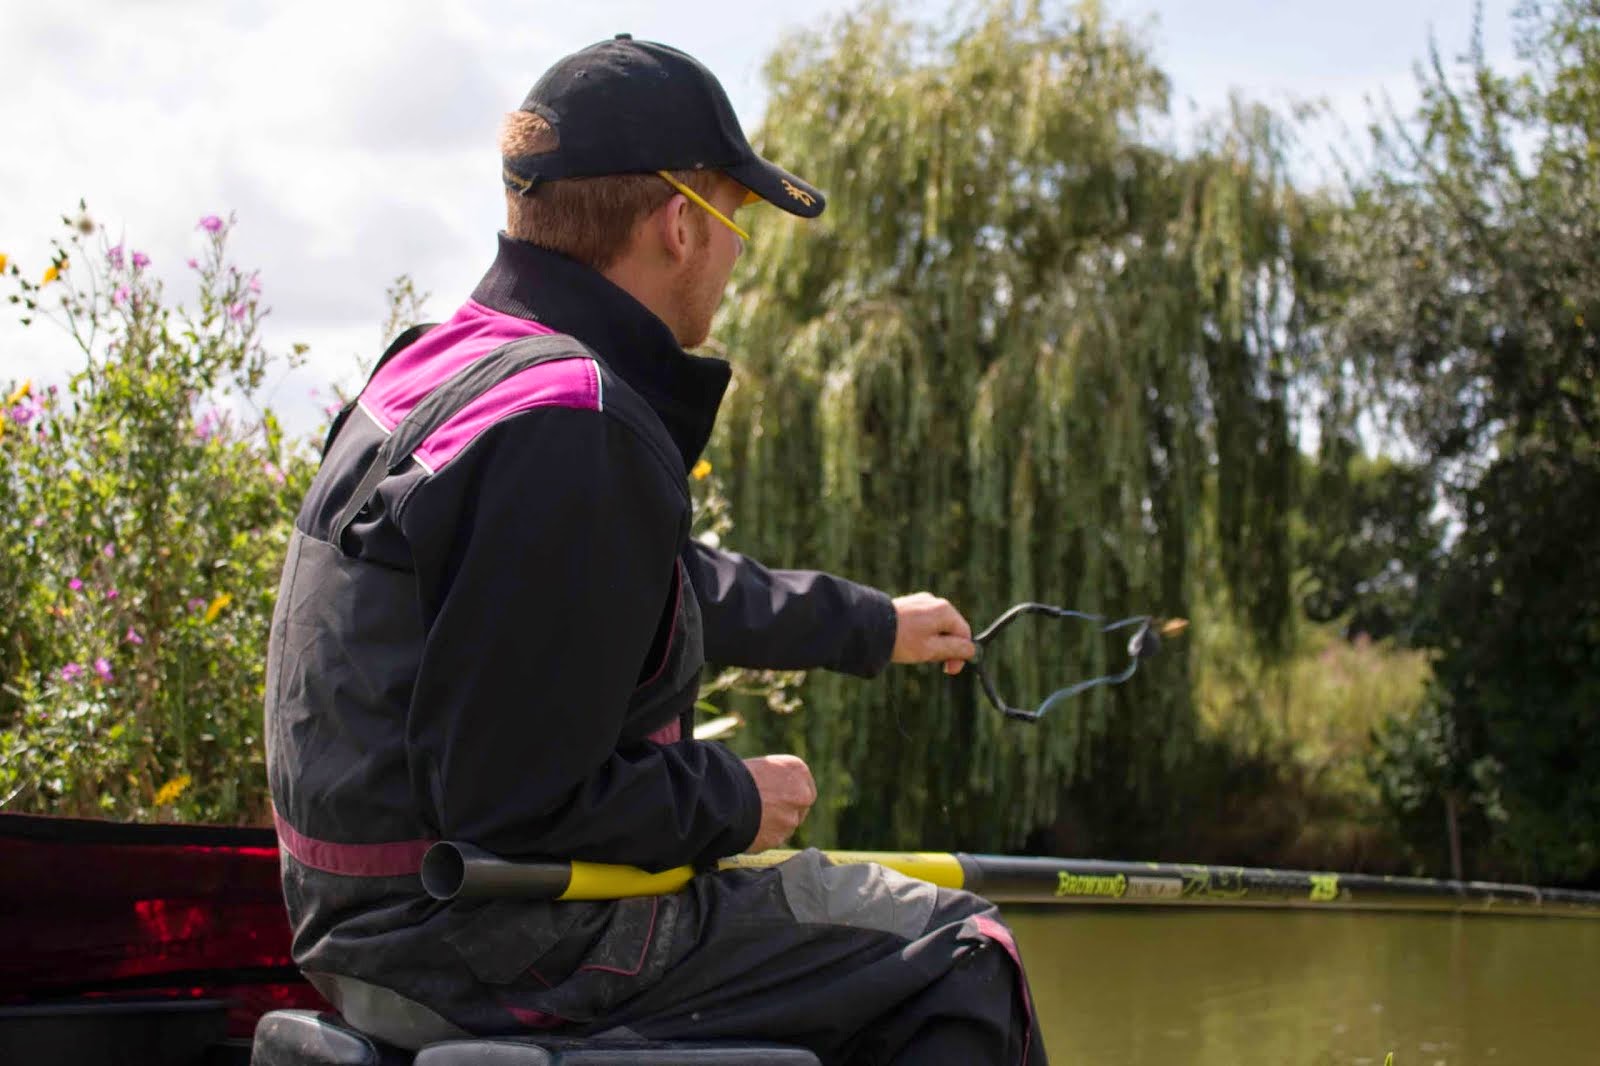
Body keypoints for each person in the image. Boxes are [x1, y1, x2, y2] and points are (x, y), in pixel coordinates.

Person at [264, 34, 1045, 1065]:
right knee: (960, 947)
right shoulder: (576, 419)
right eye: (740, 220)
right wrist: (734, 797)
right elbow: (514, 803)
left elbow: (604, 590)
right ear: (682, 223)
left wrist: (866, 624)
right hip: (494, 937)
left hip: (360, 923)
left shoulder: (442, 368)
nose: (736, 255)